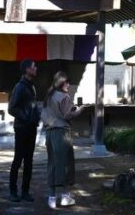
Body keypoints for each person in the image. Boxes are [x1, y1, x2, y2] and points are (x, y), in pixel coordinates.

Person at [42, 70, 83, 209]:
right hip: (62, 132)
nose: (68, 84)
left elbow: (44, 114)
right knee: (65, 163)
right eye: (66, 82)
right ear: (61, 82)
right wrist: (79, 110)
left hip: (49, 132)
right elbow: (67, 115)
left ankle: (52, 197)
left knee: (52, 163)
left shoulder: (49, 96)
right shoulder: (64, 96)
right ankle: (65, 196)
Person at [8, 58, 41, 202]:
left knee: (29, 160)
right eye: (34, 66)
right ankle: (13, 191)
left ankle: (25, 191)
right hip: (22, 128)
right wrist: (26, 118)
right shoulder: (20, 87)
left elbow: (32, 105)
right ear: (27, 69)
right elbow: (12, 108)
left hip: (31, 128)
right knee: (18, 160)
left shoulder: (32, 86)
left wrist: (37, 115)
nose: (36, 68)